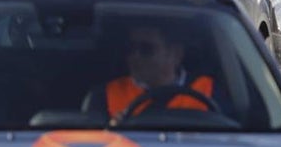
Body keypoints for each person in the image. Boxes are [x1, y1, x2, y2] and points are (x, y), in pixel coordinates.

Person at [83, 23, 216, 123]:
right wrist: (112, 130)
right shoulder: (105, 95)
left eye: (146, 49)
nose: (135, 56)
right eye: (131, 48)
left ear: (175, 54)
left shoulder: (208, 90)